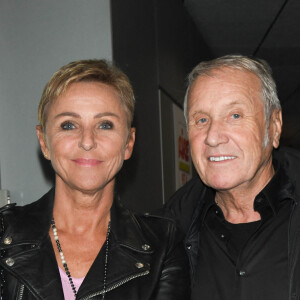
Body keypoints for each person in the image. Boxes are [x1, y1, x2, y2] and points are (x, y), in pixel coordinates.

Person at [0, 59, 190, 299]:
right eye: (69, 125)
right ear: (44, 142)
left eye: (105, 125)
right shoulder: (4, 232)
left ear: (128, 143)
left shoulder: (163, 246)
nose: (87, 141)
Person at [164, 55, 300, 299]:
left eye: (234, 116)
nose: (213, 137)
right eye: (201, 120)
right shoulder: (165, 237)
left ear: (274, 126)